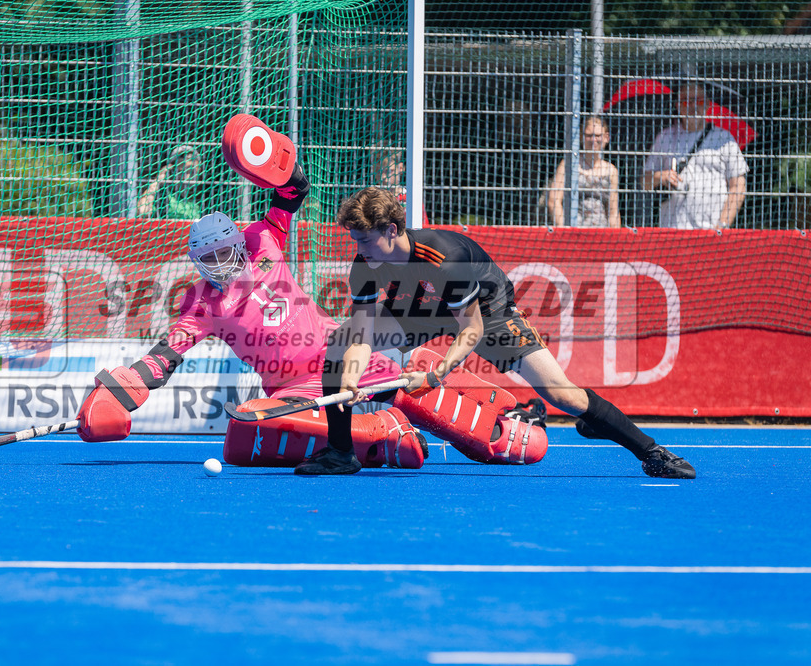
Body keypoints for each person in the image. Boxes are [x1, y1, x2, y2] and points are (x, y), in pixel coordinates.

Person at [76, 116, 544, 471]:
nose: (222, 265)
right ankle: (385, 437)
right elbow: (165, 356)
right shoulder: (200, 304)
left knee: (401, 383)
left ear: (239, 241)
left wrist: (273, 161)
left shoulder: (263, 238)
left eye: (225, 252)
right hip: (287, 386)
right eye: (210, 260)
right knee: (245, 434)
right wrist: (125, 390)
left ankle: (500, 428)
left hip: (334, 358)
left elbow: (293, 192)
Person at [293, 186, 695, 479]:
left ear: (392, 230)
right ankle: (341, 453)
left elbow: (471, 329)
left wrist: (432, 376)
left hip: (487, 310)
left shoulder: (443, 259)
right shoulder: (365, 262)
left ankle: (652, 452)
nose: (358, 248)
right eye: (354, 239)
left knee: (561, 395)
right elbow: (362, 329)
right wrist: (349, 377)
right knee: (341, 343)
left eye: (364, 239)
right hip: (417, 305)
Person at [641, 84, 748, 230]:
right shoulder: (665, 137)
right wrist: (661, 176)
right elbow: (644, 182)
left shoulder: (723, 139)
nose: (693, 106)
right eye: (686, 101)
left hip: (711, 231)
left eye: (699, 101)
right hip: (672, 230)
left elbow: (738, 185)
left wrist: (722, 225)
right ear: (677, 105)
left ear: (708, 105)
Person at [547, 116, 621, 228]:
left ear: (606, 137)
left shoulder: (611, 171)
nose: (593, 140)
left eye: (598, 136)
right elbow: (554, 201)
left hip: (602, 235)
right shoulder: (568, 164)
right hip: (574, 231)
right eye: (589, 135)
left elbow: (613, 211)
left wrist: (616, 239)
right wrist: (564, 228)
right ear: (582, 137)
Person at [136, 144, 204, 219]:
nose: (186, 178)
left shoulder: (201, 200)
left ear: (199, 172)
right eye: (181, 171)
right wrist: (157, 182)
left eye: (192, 172)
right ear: (172, 171)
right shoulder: (164, 196)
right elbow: (142, 212)